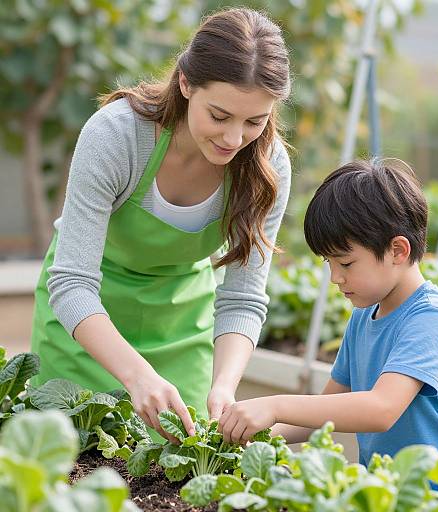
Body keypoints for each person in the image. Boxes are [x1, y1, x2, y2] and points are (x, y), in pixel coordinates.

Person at [30, 7, 291, 441]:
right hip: (85, 327)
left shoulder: (267, 166)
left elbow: (244, 298)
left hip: (180, 329)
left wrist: (223, 386)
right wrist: (136, 375)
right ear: (186, 83)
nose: (233, 139)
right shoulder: (117, 136)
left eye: (255, 122)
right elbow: (72, 282)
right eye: (220, 116)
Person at [218, 159, 438, 493]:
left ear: (397, 250)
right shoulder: (365, 316)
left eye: (346, 263)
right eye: (329, 263)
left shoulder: (432, 318)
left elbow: (381, 409)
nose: (335, 277)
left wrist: (274, 405)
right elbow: (323, 416)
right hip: (393, 496)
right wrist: (247, 438)